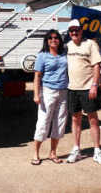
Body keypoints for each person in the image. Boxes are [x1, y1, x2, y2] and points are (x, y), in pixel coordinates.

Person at [65, 19, 101, 165]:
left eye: (76, 29)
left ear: (81, 30)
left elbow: (97, 66)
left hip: (88, 88)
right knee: (75, 119)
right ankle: (76, 149)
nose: (74, 32)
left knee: (93, 119)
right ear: (69, 32)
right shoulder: (68, 46)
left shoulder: (90, 44)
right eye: (71, 30)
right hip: (72, 89)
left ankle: (97, 151)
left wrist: (94, 85)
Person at [31, 29, 68, 165]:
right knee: (43, 122)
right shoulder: (42, 56)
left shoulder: (64, 54)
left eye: (56, 37)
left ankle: (53, 153)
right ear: (47, 41)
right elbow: (37, 76)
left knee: (60, 123)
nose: (54, 40)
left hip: (63, 92)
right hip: (48, 91)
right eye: (50, 38)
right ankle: (36, 153)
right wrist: (36, 94)